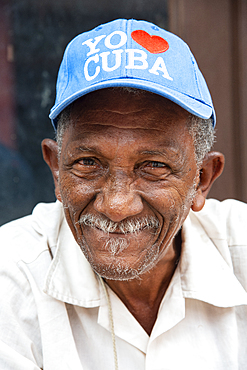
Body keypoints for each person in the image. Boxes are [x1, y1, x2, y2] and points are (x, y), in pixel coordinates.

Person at [0, 19, 246, 370]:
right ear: (56, 168)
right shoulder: (9, 279)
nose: (116, 206)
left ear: (201, 179)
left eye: (154, 166)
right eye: (88, 162)